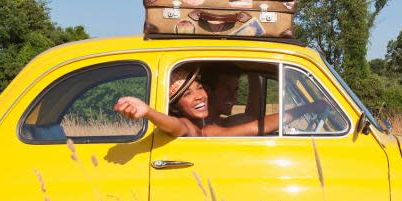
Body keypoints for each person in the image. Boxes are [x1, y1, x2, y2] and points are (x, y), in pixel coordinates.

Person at [113, 65, 320, 137]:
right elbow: (175, 127)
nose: (198, 96)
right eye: (186, 94)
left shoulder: (218, 123)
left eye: (199, 88)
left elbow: (252, 117)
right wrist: (148, 112)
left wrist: (254, 75)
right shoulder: (197, 129)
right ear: (176, 108)